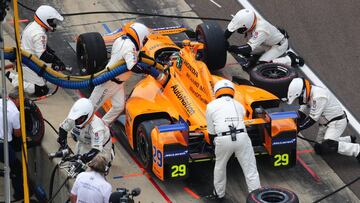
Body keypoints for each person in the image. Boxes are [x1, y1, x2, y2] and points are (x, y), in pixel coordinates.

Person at [89, 22, 160, 125]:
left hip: (118, 83)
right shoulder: (129, 47)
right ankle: (70, 128)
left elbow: (139, 57)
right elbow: (133, 66)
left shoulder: (126, 41)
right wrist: (150, 70)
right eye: (144, 39)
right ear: (140, 35)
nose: (145, 42)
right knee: (90, 108)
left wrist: (155, 63)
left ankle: (102, 125)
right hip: (108, 82)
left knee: (118, 106)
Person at [206, 79, 261, 199]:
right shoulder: (239, 105)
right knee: (250, 169)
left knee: (220, 166)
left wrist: (214, 144)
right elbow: (241, 117)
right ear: (232, 91)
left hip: (223, 138)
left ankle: (219, 194)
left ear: (216, 92)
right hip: (242, 136)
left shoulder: (210, 106)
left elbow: (211, 131)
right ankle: (256, 197)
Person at [287, 77, 360, 162]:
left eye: (298, 97)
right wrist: (294, 125)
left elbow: (312, 119)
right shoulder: (309, 94)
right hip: (325, 124)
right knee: (319, 149)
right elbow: (301, 113)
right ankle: (348, 139)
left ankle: (357, 149)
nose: (298, 100)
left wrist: (297, 128)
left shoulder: (318, 97)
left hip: (336, 122)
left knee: (328, 144)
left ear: (302, 92)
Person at [6, 5, 65, 97]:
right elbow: (43, 55)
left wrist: (56, 59)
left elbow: (44, 48)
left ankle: (25, 78)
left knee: (46, 77)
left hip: (26, 60)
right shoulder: (39, 34)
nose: (53, 23)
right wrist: (56, 62)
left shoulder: (33, 25)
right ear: (45, 20)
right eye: (51, 21)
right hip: (28, 64)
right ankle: (14, 79)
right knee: (42, 90)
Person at [224, 9, 304, 69]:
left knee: (262, 65)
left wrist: (233, 48)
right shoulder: (250, 19)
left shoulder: (261, 30)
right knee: (245, 52)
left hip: (277, 45)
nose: (238, 31)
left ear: (247, 25)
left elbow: (248, 48)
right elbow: (230, 29)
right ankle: (256, 56)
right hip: (265, 42)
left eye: (240, 29)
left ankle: (291, 59)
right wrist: (223, 39)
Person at [57, 98, 114, 166]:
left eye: (80, 118)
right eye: (76, 118)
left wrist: (83, 159)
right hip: (83, 142)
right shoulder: (73, 118)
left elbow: (96, 149)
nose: (77, 121)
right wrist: (64, 146)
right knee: (75, 164)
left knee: (99, 166)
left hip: (101, 146)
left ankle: (111, 153)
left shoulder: (97, 127)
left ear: (88, 115)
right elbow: (62, 129)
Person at [0, 88, 24, 201]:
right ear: (17, 99)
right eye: (22, 99)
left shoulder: (1, 102)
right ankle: (20, 194)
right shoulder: (15, 112)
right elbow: (18, 133)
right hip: (2, 145)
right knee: (17, 168)